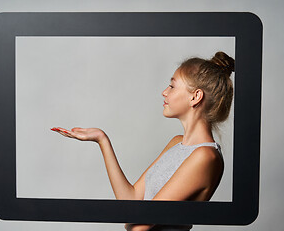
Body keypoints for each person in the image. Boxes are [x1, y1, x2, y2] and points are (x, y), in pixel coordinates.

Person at [51, 51, 235, 231]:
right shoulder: (176, 143)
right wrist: (102, 140)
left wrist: (132, 219)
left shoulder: (205, 157)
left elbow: (140, 226)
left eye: (172, 86)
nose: (164, 92)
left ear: (195, 97)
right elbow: (131, 200)